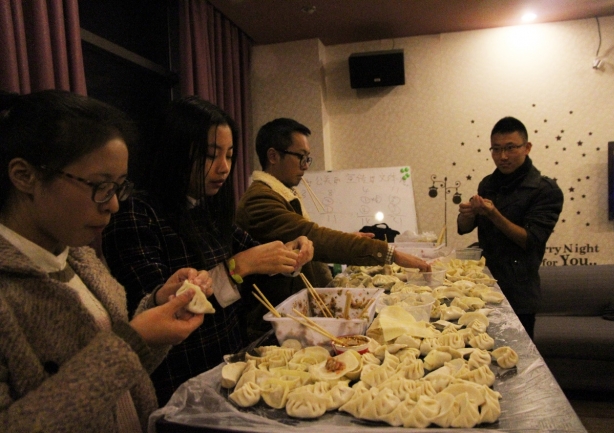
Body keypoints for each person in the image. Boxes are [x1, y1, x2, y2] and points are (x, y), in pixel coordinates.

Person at [0, 90, 209, 432]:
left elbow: (118, 376)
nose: (113, 205)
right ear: (25, 176)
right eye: (100, 186)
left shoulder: (81, 258)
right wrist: (134, 340)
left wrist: (159, 307)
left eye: (119, 187)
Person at [101, 97, 313, 405]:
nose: (224, 167)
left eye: (229, 155)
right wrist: (237, 268)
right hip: (179, 385)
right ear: (175, 152)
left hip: (230, 369)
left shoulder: (208, 209)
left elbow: (257, 256)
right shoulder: (136, 214)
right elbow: (154, 311)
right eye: (210, 155)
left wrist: (291, 254)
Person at [235, 118, 431, 337]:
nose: (305, 166)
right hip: (277, 322)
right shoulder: (260, 201)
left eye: (307, 158)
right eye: (300, 157)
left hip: (295, 314)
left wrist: (349, 237)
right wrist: (390, 254)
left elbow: (306, 236)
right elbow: (313, 237)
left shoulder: (281, 193)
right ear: (273, 156)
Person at [457, 116, 564, 339]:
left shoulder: (545, 190)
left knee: (519, 355)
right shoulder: (488, 183)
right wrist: (467, 214)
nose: (503, 156)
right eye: (496, 149)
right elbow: (464, 228)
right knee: (481, 351)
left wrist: (493, 214)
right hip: (483, 287)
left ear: (527, 147)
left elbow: (531, 240)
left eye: (510, 148)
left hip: (519, 293)